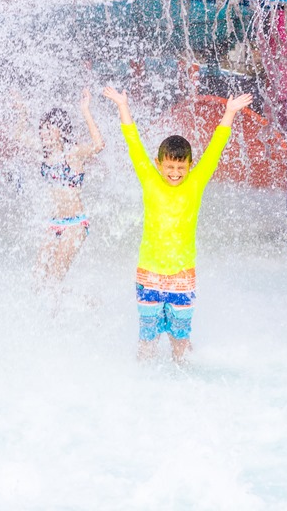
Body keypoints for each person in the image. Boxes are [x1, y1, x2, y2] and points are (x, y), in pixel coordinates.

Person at [102, 86, 254, 364]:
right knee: (147, 337)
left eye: (180, 169)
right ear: (159, 164)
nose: (175, 174)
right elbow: (133, 143)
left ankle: (181, 386)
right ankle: (144, 386)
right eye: (169, 168)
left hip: (183, 276)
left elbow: (215, 149)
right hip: (148, 272)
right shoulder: (150, 179)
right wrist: (123, 106)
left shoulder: (195, 182)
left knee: (180, 339)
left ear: (189, 165)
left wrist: (230, 112)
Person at [36, 89, 105, 286]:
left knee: (54, 277)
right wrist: (22, 112)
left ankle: (55, 315)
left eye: (51, 128)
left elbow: (99, 145)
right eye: (43, 128)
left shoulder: (73, 153)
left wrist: (85, 110)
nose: (45, 133)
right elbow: (17, 137)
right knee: (38, 278)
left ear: (62, 131)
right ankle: (83, 303)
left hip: (75, 224)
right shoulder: (44, 155)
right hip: (54, 223)